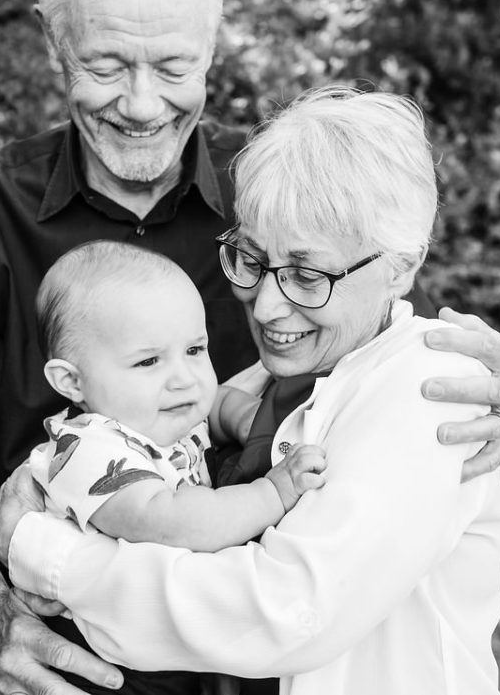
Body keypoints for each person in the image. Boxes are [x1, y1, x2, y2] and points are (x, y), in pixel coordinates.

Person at [0, 0, 500, 695]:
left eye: (172, 66)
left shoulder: (279, 192)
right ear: (54, 41)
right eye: (104, 66)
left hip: (240, 664)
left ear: (213, 42)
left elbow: (378, 374)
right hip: (26, 657)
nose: (140, 104)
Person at [0, 86, 500, 694]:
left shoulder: (431, 385)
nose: (266, 305)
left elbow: (285, 610)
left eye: (306, 273)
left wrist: (43, 552)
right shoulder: (294, 375)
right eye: (252, 258)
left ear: (400, 266)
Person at [27, 240, 326, 694]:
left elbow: (214, 402)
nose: (185, 377)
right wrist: (272, 492)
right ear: (71, 381)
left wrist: (247, 419)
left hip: (169, 638)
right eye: (149, 360)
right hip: (114, 664)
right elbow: (171, 520)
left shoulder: (157, 409)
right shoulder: (89, 451)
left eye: (194, 350)